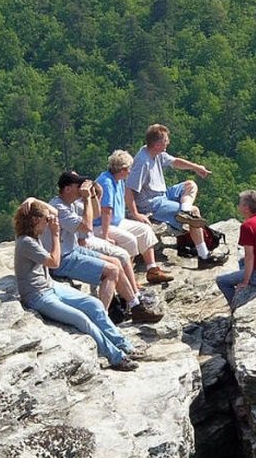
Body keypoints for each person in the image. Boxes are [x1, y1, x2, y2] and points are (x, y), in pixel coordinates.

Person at [13, 197, 141, 372]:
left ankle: (125, 345)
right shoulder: (26, 242)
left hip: (50, 285)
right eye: (46, 220)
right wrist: (56, 235)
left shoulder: (33, 235)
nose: (50, 222)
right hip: (37, 295)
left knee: (94, 304)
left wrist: (32, 200)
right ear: (35, 220)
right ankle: (116, 358)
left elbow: (54, 212)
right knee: (81, 319)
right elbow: (54, 262)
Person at [46, 171, 163, 324]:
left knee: (116, 261)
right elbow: (86, 227)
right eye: (78, 185)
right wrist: (87, 199)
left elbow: (95, 214)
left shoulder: (71, 204)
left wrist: (93, 196)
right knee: (111, 271)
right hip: (63, 258)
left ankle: (135, 306)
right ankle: (102, 317)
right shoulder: (59, 207)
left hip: (73, 250)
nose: (81, 188)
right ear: (67, 189)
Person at [125, 123, 226, 270]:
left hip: (163, 194)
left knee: (190, 185)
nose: (168, 142)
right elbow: (129, 189)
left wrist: (196, 167)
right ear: (158, 144)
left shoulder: (155, 153)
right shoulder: (142, 162)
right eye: (166, 140)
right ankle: (204, 256)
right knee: (195, 212)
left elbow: (175, 162)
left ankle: (184, 211)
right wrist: (135, 213)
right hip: (151, 203)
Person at [91, 149, 172, 285]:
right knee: (130, 240)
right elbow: (106, 211)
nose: (130, 172)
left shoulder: (118, 180)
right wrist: (105, 237)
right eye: (129, 169)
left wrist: (136, 214)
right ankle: (127, 279)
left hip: (116, 222)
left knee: (145, 230)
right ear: (122, 169)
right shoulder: (106, 182)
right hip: (101, 226)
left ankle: (152, 270)